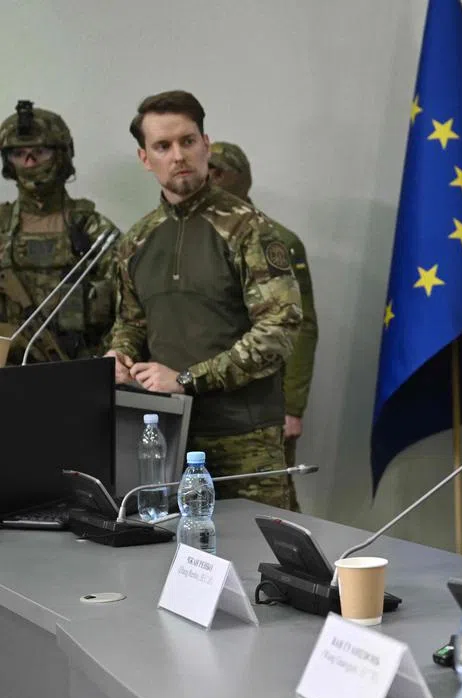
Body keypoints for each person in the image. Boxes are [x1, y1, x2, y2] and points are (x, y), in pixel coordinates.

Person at [105, 90, 302, 511]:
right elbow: (132, 321)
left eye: (187, 141)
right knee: (169, 561)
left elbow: (278, 332)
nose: (178, 155)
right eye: (163, 146)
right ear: (145, 158)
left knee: (258, 566)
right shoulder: (135, 240)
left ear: (206, 144)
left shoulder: (250, 230)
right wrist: (119, 354)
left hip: (244, 438)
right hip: (165, 436)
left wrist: (188, 378)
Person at [208, 141, 319, 510]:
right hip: (204, 399)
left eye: (218, 171)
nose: (208, 179)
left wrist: (293, 406)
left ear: (240, 179)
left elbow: (301, 328)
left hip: (263, 399)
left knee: (275, 507)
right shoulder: (188, 239)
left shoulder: (276, 239)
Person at [0, 100, 119, 363]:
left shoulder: (94, 230)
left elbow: (128, 314)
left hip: (77, 369)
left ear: (61, 155)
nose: (29, 162)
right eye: (19, 154)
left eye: (40, 152)